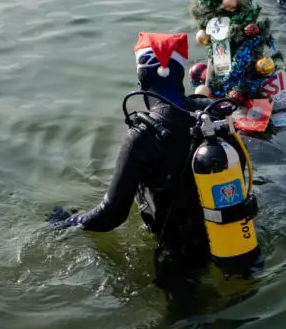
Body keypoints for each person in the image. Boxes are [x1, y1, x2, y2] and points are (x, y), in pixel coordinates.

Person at [46, 32, 214, 289]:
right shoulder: (210, 115)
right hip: (228, 232)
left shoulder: (143, 135)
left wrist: (69, 221)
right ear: (180, 74)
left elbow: (111, 216)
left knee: (183, 319)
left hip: (179, 250)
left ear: (142, 77)